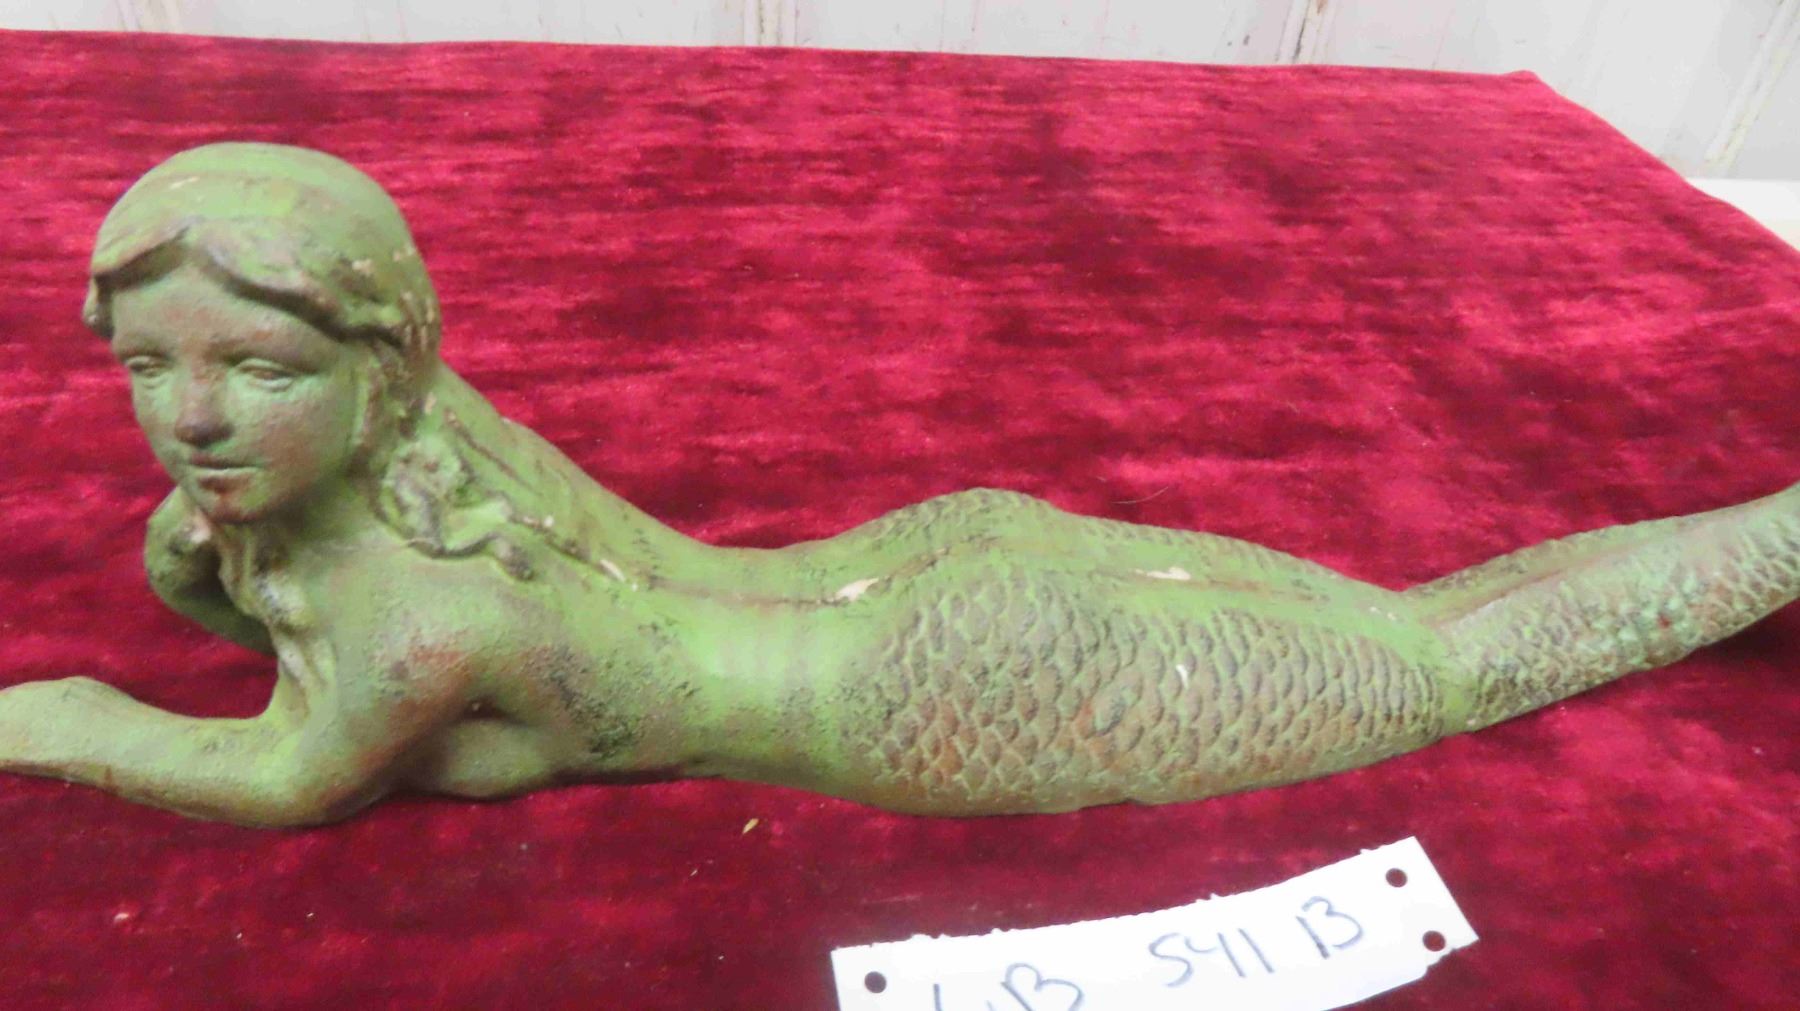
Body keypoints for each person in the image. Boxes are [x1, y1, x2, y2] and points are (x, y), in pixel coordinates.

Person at [0, 142, 1793, 827]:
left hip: (939, 689)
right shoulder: (461, 469)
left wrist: (65, 717)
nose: (195, 420)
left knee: (1449, 669)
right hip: (929, 573)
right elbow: (307, 631)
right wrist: (215, 559)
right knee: (1422, 636)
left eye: (262, 370)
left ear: (381, 372)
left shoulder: (415, 615)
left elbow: (281, 777)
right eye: (149, 368)